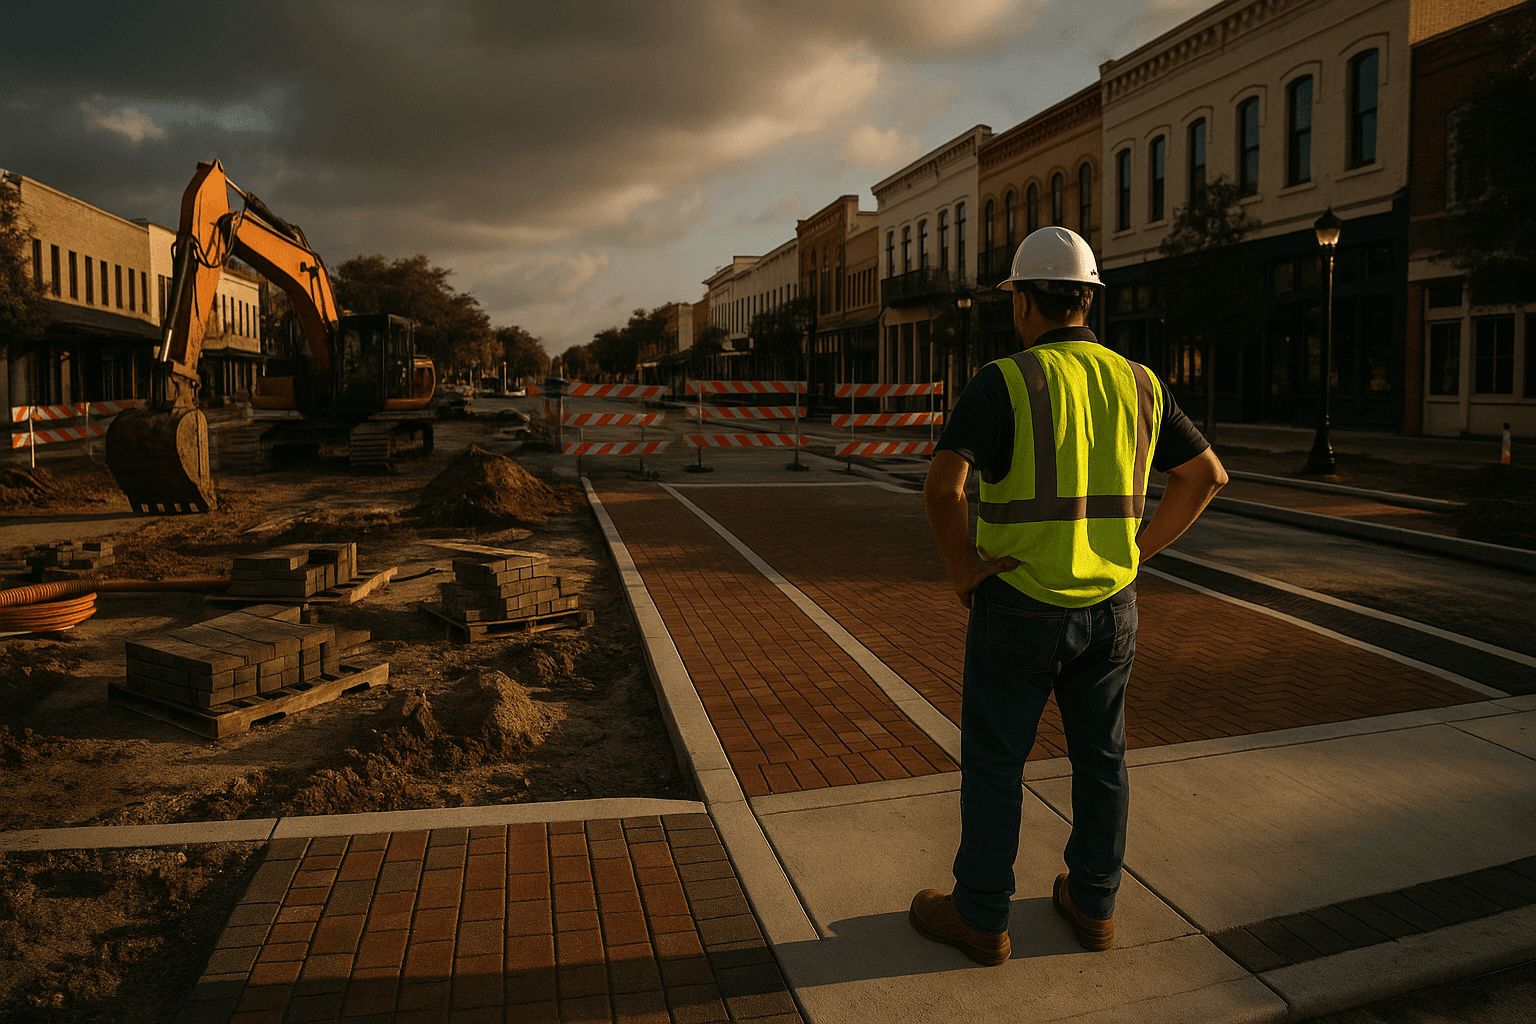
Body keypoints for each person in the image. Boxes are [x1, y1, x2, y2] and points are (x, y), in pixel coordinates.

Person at [908, 226, 1227, 966]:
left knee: (995, 763)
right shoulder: (1141, 381)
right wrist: (1136, 549)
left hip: (1019, 602)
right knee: (1102, 759)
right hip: (1112, 608)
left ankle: (982, 914)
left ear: (1023, 301)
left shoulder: (1006, 380)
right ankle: (1094, 904)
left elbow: (943, 486)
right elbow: (1205, 475)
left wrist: (962, 569)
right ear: (1088, 299)